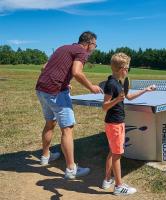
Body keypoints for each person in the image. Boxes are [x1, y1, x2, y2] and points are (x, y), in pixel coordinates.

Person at [36, 31, 102, 179]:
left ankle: (45, 156)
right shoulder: (81, 52)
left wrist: (64, 82)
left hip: (41, 89)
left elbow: (44, 67)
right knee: (67, 129)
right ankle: (71, 169)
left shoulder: (63, 48)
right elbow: (77, 72)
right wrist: (91, 87)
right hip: (56, 92)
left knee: (49, 123)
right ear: (88, 44)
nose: (95, 48)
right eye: (95, 45)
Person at [101, 52, 155, 195]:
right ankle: (119, 186)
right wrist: (117, 100)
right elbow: (105, 106)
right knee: (117, 154)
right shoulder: (111, 84)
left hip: (116, 123)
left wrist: (145, 90)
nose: (128, 71)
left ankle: (107, 179)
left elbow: (129, 97)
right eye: (127, 68)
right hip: (115, 123)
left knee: (113, 152)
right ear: (121, 69)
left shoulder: (119, 83)